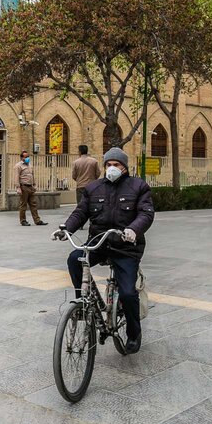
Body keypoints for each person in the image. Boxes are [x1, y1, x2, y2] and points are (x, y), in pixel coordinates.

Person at [52, 147, 154, 353]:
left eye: (116, 165)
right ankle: (83, 301)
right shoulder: (93, 188)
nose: (111, 168)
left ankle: (134, 333)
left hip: (126, 247)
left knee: (127, 293)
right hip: (98, 243)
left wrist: (134, 229)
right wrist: (65, 229)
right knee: (74, 259)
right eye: (108, 164)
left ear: (124, 167)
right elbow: (80, 213)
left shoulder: (138, 186)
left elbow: (146, 213)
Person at [14, 149, 47, 226]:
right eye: (26, 157)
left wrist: (34, 185)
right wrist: (18, 188)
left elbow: (32, 175)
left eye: (28, 156)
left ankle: (37, 220)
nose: (28, 158)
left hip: (30, 187)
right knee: (23, 205)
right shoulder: (18, 166)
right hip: (23, 187)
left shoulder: (30, 165)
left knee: (33, 204)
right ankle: (23, 220)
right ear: (22, 158)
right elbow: (16, 177)